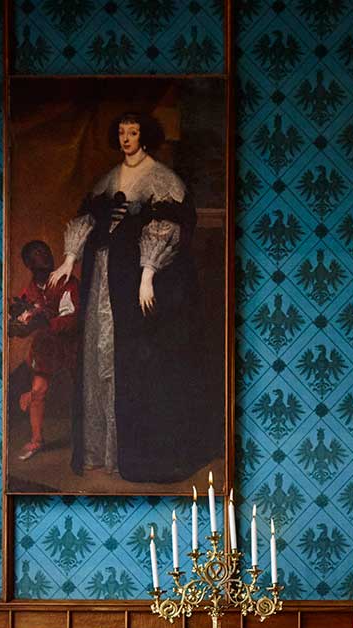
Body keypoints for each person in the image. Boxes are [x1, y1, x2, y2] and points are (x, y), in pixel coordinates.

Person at [48, 110, 217, 483]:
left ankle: (136, 452)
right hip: (104, 277)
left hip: (137, 280)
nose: (126, 138)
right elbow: (88, 219)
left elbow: (167, 229)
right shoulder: (108, 179)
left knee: (135, 360)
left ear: (145, 136)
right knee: (100, 353)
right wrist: (69, 259)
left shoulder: (162, 179)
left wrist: (148, 274)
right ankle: (102, 451)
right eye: (122, 132)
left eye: (134, 132)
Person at [10, 240, 79, 461]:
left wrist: (46, 321)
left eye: (46, 251)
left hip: (72, 345)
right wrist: (18, 326)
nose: (45, 256)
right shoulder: (29, 291)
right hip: (46, 347)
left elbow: (73, 319)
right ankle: (37, 440)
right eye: (38, 253)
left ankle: (87, 440)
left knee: (83, 390)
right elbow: (21, 322)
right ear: (29, 263)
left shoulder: (66, 281)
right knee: (37, 390)